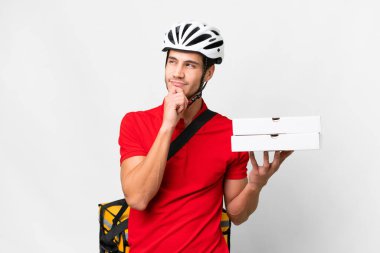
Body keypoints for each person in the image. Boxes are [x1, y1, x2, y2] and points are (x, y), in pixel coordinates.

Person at [118, 21, 293, 253]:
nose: (177, 73)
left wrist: (256, 185)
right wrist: (168, 125)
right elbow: (138, 198)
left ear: (208, 73)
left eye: (189, 65)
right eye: (172, 62)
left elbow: (237, 215)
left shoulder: (229, 131)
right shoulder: (135, 123)